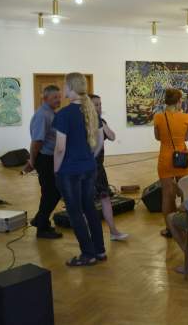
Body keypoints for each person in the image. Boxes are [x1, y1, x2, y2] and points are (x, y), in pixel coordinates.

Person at [53, 73, 105, 267]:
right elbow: (99, 142)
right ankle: (99, 251)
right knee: (90, 209)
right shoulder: (91, 111)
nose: (63, 89)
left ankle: (88, 254)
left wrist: (56, 170)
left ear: (71, 87)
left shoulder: (64, 114)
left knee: (75, 213)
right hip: (89, 168)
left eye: (64, 85)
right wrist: (89, 157)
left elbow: (60, 148)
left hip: (70, 171)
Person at [25, 85, 63, 239]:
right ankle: (41, 227)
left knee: (52, 192)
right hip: (45, 159)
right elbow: (37, 142)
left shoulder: (51, 112)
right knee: (51, 193)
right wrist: (32, 161)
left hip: (50, 158)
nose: (58, 100)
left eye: (59, 97)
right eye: (55, 97)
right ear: (45, 98)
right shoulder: (42, 115)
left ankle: (41, 221)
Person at [154, 88, 188, 238]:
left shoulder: (158, 117)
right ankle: (184, 225)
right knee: (185, 192)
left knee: (167, 195)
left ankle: (170, 229)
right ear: (178, 101)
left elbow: (157, 137)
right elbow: (187, 138)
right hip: (181, 158)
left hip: (165, 158)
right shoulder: (187, 117)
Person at [90, 94, 128, 241]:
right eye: (95, 104)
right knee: (88, 202)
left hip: (99, 168)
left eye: (100, 104)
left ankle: (113, 231)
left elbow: (112, 136)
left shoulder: (101, 122)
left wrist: (101, 122)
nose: (99, 107)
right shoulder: (84, 122)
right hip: (86, 168)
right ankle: (90, 236)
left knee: (105, 198)